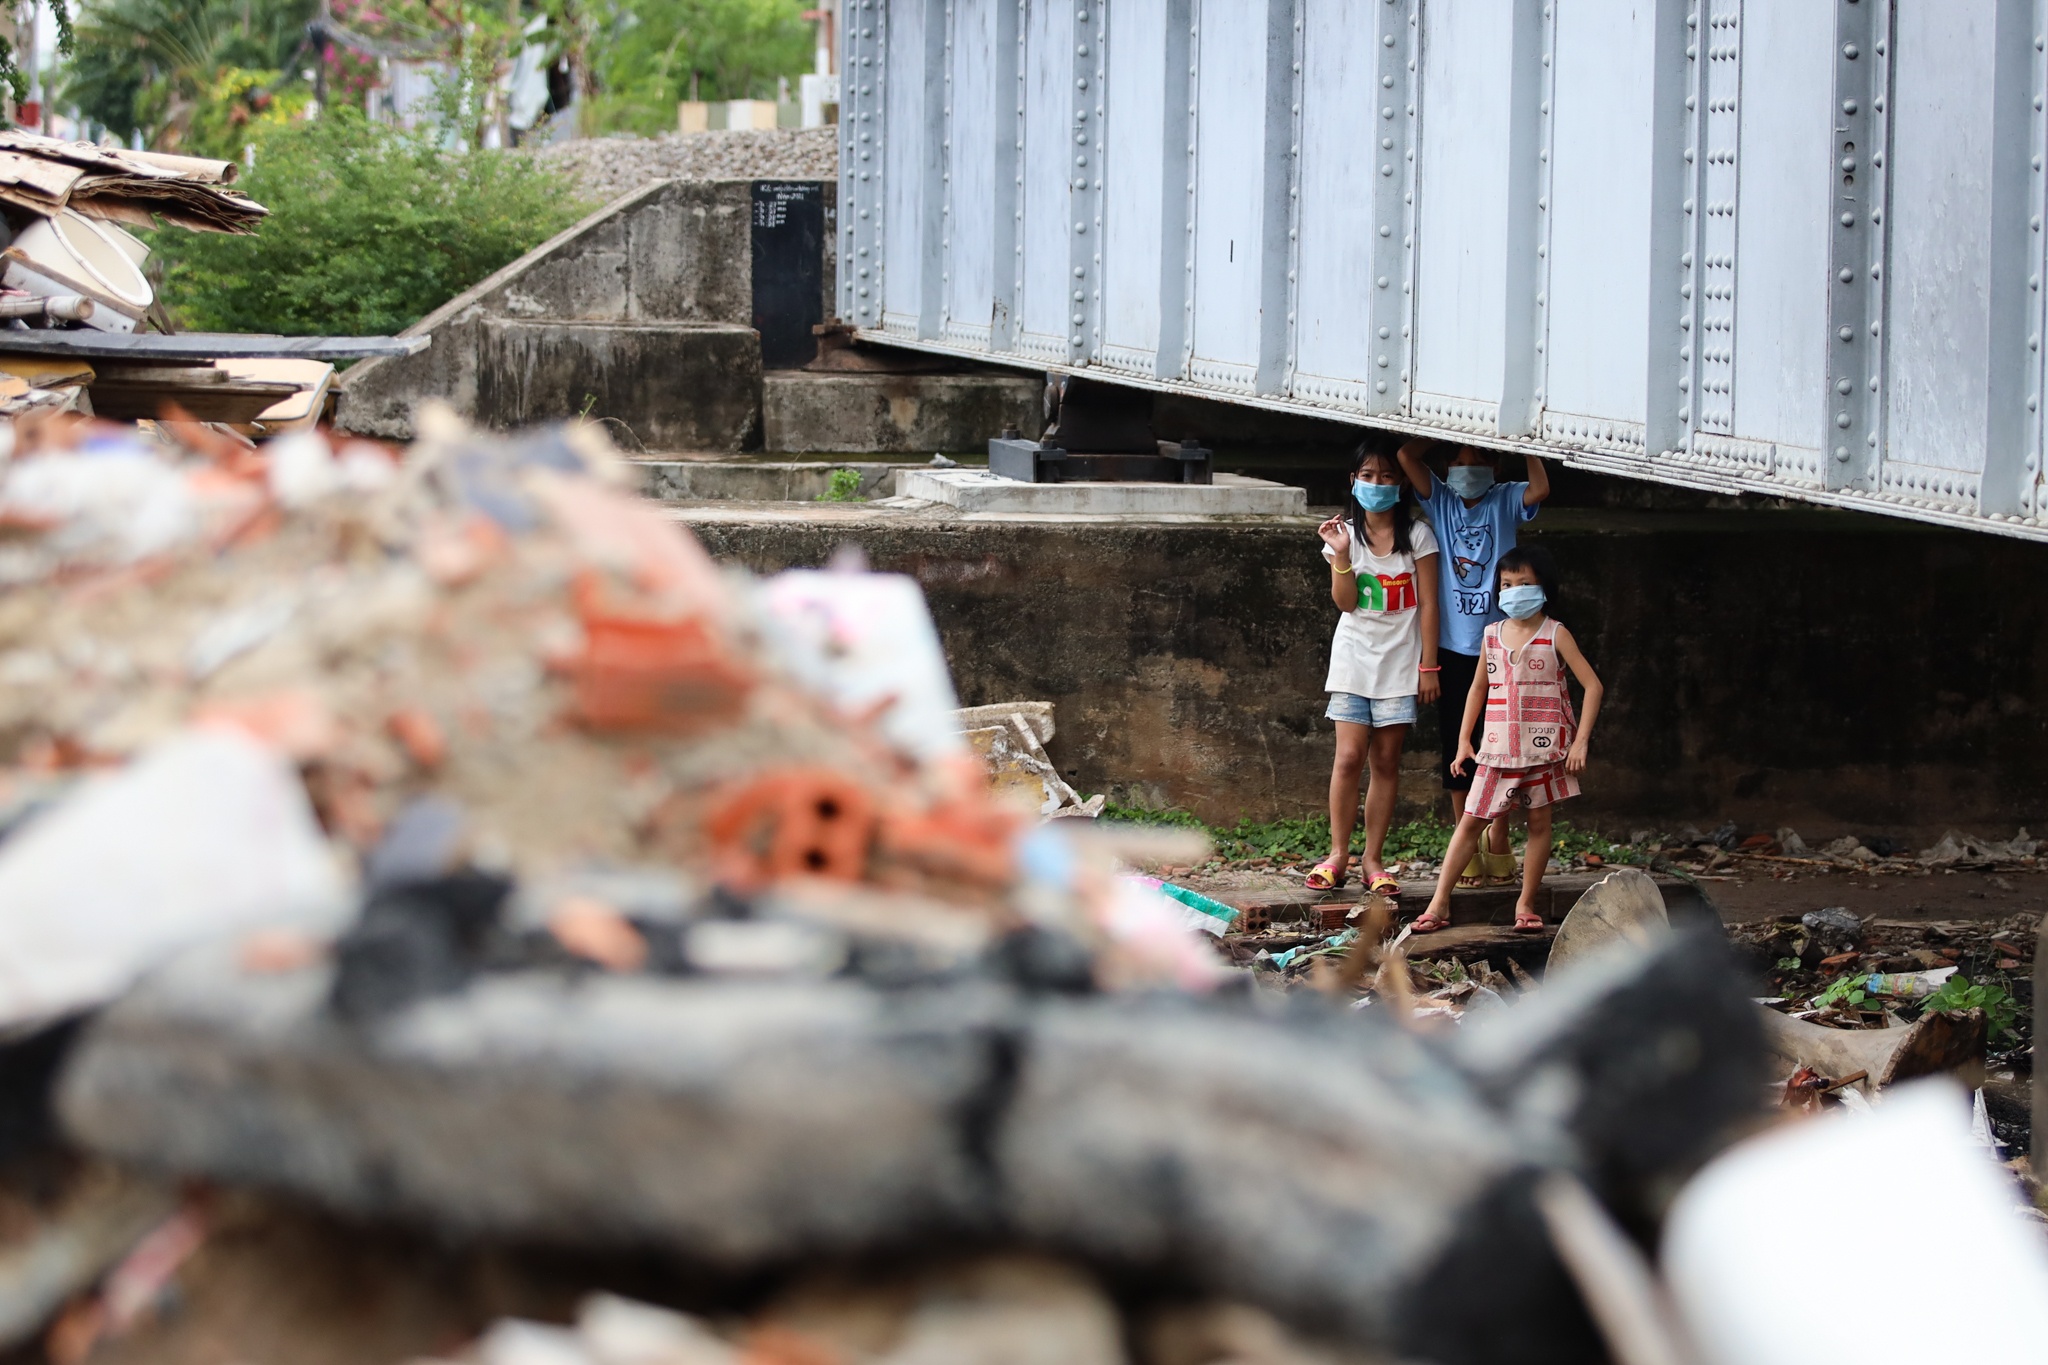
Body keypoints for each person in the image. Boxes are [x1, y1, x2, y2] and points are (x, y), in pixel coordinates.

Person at [1410, 546, 1602, 933]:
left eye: (1524, 583)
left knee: (1539, 825)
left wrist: (1580, 742)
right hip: (1496, 750)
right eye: (1507, 584)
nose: (1514, 591)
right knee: (1469, 822)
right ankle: (1438, 902)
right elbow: (1478, 689)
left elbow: (1593, 686)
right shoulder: (1491, 635)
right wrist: (1465, 740)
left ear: (1544, 588)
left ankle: (1526, 904)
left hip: (1546, 751)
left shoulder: (1556, 634)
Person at [1395, 437, 1550, 889]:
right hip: (1451, 649)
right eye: (1457, 463)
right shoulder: (1441, 499)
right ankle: (1466, 841)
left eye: (1475, 462)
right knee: (1457, 750)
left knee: (1502, 743)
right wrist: (1438, 429)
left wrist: (1526, 442)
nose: (1466, 471)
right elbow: (1407, 456)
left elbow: (1539, 489)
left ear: (1493, 466)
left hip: (1502, 643)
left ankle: (1498, 837)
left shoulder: (1504, 500)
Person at [1306, 444, 1441, 895]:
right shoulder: (1342, 534)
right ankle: (1338, 855)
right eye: (1368, 475)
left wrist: (1429, 666)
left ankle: (1373, 860)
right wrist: (1341, 554)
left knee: (1386, 761)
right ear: (1353, 480)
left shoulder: (1419, 535)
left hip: (1402, 665)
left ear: (1400, 484)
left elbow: (1429, 606)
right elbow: (1345, 603)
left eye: (1386, 477)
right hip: (1353, 661)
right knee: (1347, 759)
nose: (1377, 484)